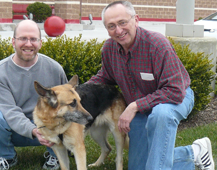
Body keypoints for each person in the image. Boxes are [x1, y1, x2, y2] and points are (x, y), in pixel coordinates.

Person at [87, 1, 215, 170]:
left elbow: (175, 91)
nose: (118, 30)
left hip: (175, 99)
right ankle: (194, 152)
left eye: (122, 23)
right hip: (141, 109)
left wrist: (134, 106)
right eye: (111, 26)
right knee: (138, 166)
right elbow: (105, 77)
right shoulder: (110, 48)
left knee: (161, 114)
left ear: (136, 20)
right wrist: (73, 93)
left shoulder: (157, 45)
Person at [0, 20, 67, 170]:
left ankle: (56, 154)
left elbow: (65, 103)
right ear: (13, 41)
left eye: (33, 39)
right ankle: (5, 156)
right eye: (23, 38)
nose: (28, 44)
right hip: (15, 130)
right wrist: (34, 130)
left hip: (49, 129)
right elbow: (10, 112)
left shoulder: (54, 68)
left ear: (40, 43)